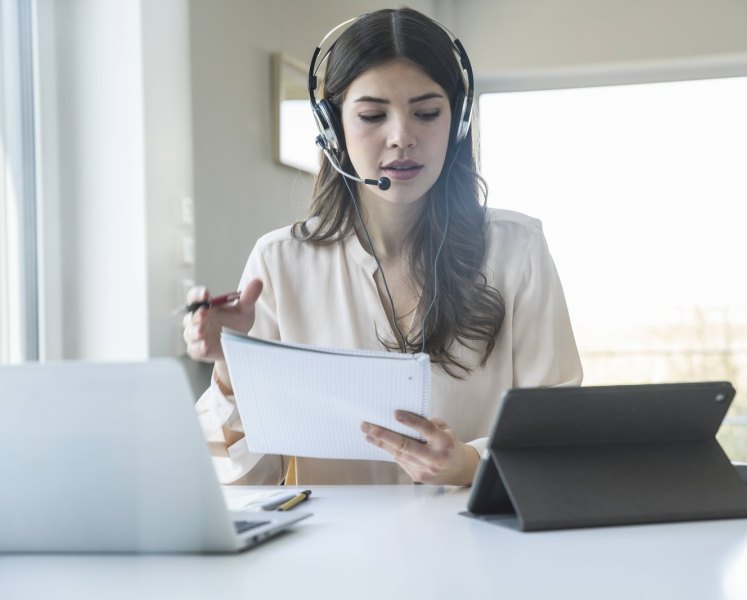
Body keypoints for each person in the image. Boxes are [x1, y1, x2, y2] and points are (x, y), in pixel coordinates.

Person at [183, 7, 582, 487]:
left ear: (456, 123)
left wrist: (470, 465)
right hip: (332, 558)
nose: (402, 138)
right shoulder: (278, 263)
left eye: (427, 113)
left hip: (480, 550)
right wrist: (231, 366)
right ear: (333, 130)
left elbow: (558, 436)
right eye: (373, 115)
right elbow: (240, 481)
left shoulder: (518, 251)